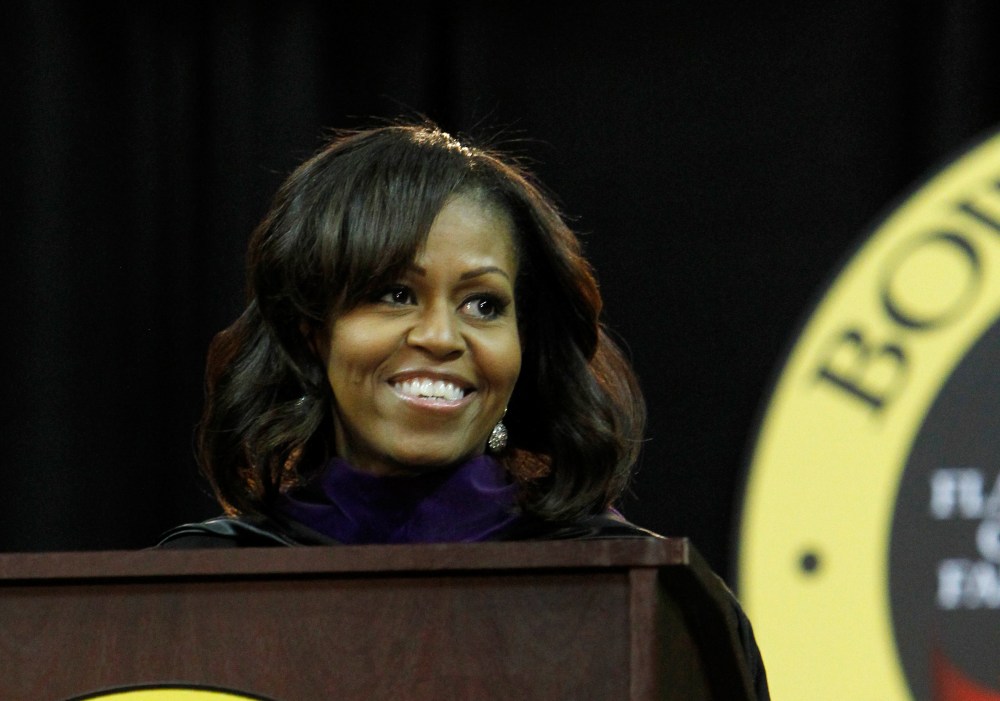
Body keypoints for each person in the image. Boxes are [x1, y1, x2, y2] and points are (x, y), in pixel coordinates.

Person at [157, 122, 768, 697]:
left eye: (483, 305)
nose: (442, 337)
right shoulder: (203, 587)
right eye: (396, 294)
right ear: (311, 330)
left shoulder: (645, 599)